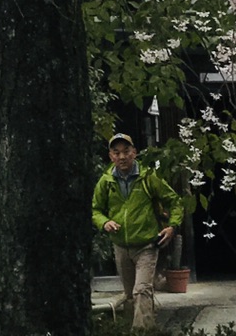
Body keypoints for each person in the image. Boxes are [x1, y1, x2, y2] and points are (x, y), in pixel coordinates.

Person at [91, 134, 179, 331]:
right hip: (120, 246)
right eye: (117, 152)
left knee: (142, 291)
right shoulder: (106, 182)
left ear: (134, 153)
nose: (122, 156)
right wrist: (104, 222)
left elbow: (174, 201)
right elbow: (95, 210)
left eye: (126, 151)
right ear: (111, 156)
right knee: (131, 295)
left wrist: (172, 226)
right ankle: (145, 328)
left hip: (146, 245)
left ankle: (141, 332)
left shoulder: (148, 178)